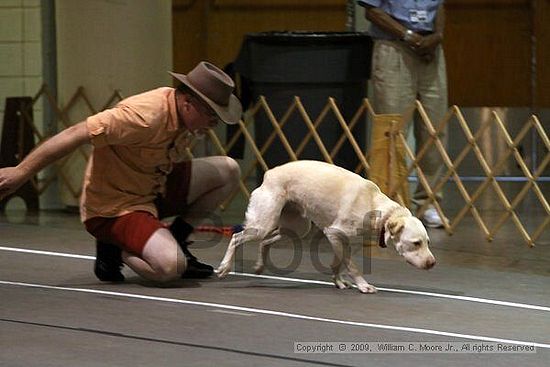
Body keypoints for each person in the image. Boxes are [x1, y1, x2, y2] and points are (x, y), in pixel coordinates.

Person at [0, 61, 243, 282]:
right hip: (116, 207)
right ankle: (117, 247)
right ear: (189, 104)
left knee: (229, 170)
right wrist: (22, 171)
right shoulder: (142, 116)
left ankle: (177, 240)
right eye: (212, 116)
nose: (214, 125)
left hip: (153, 187)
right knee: (171, 268)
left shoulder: (184, 117)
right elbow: (75, 133)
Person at [358, 0, 448, 228]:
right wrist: (409, 36)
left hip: (431, 51)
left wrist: (437, 36)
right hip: (394, 47)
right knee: (392, 129)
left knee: (435, 129)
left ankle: (429, 203)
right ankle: (388, 203)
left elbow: (440, 6)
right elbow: (372, 11)